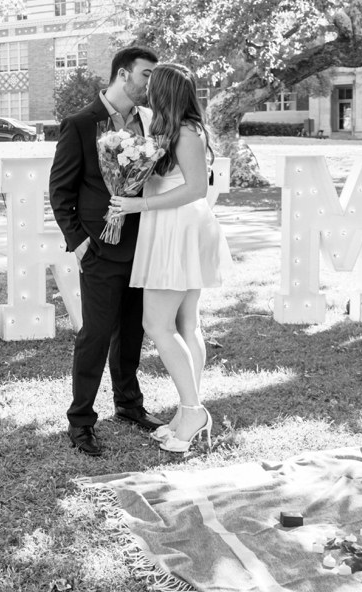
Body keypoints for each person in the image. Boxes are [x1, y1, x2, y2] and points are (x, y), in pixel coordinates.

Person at [109, 62, 233, 454]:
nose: (147, 90)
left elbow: (197, 188)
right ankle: (185, 414)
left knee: (157, 325)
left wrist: (136, 204)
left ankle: (193, 411)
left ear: (165, 92)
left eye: (152, 85)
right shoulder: (169, 128)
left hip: (179, 230)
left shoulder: (185, 132)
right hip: (174, 228)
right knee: (187, 323)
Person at [49, 46, 165, 456]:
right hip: (98, 249)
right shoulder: (81, 123)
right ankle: (80, 421)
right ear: (122, 74)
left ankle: (129, 405)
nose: (152, 83)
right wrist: (80, 245)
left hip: (142, 245)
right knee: (95, 334)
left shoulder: (149, 122)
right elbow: (60, 192)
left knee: (132, 331)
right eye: (147, 74)